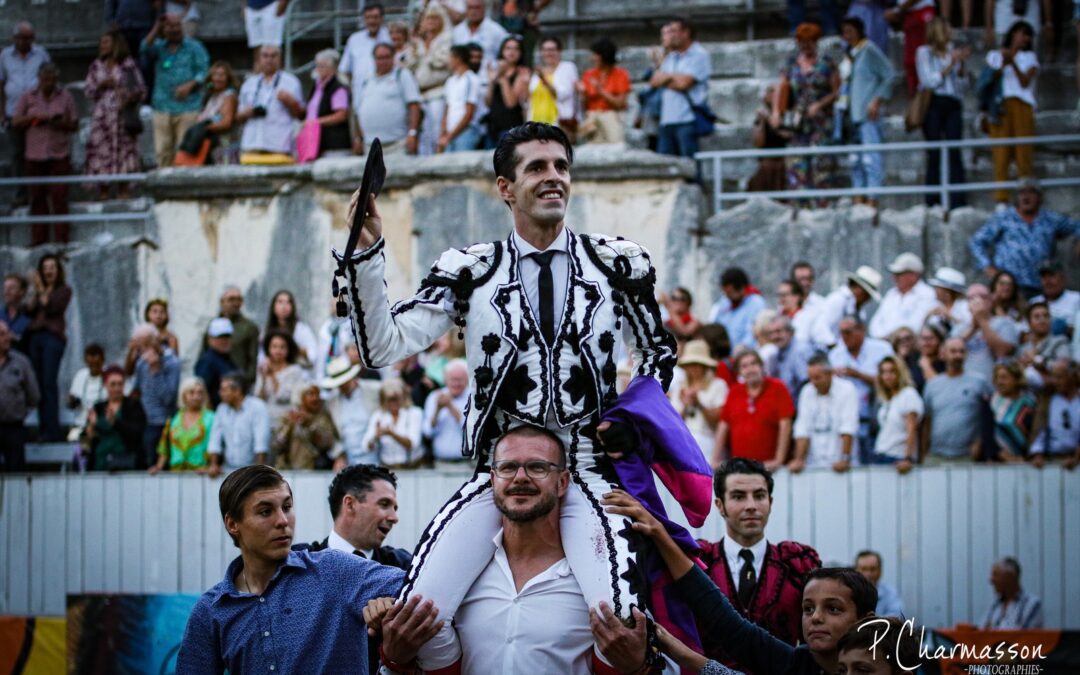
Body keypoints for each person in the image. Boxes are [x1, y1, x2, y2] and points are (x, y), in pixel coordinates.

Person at [335, 121, 690, 669]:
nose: (554, 178)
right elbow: (382, 346)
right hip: (499, 475)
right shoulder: (470, 270)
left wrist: (632, 419)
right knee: (417, 621)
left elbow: (659, 352)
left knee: (621, 629)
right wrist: (367, 255)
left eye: (562, 167)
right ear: (505, 187)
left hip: (588, 472)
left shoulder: (619, 264)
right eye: (537, 168)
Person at [370, 425, 649, 674]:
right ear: (492, 480)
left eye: (538, 467)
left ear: (563, 482)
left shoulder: (598, 580)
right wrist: (395, 661)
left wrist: (637, 668)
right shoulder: (457, 573)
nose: (520, 478)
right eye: (507, 467)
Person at [603, 489, 879, 675]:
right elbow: (728, 626)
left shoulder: (889, 660)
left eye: (833, 609)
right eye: (807, 609)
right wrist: (661, 535)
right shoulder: (801, 662)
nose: (815, 619)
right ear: (719, 506)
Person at [175, 465, 405, 673]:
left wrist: (390, 606)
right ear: (233, 524)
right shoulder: (211, 611)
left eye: (287, 507)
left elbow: (420, 588)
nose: (283, 520)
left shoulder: (334, 569)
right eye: (266, 511)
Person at [696, 459, 821, 668]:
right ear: (720, 505)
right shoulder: (700, 560)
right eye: (738, 496)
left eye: (759, 495)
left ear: (770, 502)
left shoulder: (799, 562)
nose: (751, 506)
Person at [969, 180, 1080, 298]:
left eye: (1031, 192)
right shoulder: (1004, 217)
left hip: (1039, 285)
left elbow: (1077, 226)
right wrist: (987, 266)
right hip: (1010, 286)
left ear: (1039, 197)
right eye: (1021, 193)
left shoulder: (1050, 219)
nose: (1026, 196)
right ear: (1016, 197)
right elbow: (977, 241)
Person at [12, 62, 78, 245]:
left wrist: (56, 122)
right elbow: (16, 122)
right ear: (39, 79)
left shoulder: (66, 97)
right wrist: (34, 118)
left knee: (60, 199)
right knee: (37, 199)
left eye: (52, 79)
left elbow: (74, 124)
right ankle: (38, 241)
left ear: (57, 79)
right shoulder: (27, 96)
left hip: (59, 153)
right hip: (34, 155)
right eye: (45, 79)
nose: (49, 83)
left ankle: (62, 241)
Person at [772, 23, 840, 199]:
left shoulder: (827, 62)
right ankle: (799, 204)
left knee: (821, 164)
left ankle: (822, 203)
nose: (805, 46)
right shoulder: (791, 63)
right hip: (798, 121)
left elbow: (837, 91)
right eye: (802, 42)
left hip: (821, 121)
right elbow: (781, 86)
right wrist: (776, 112)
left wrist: (820, 104)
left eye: (809, 42)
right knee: (796, 163)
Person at [838, 16, 895, 208]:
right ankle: (858, 196)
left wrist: (876, 100)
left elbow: (889, 74)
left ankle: (873, 198)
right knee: (855, 159)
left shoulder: (869, 49)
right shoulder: (849, 54)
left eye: (850, 31)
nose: (847, 35)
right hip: (850, 114)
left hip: (866, 113)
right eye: (844, 32)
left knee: (871, 157)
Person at [142, 13, 210, 168]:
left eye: (177, 25)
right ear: (164, 28)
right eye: (170, 26)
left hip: (188, 106)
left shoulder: (195, 47)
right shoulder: (158, 47)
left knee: (184, 150)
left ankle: (184, 188)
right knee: (162, 150)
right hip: (162, 106)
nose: (174, 29)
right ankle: (164, 188)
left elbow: (204, 71)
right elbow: (144, 49)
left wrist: (190, 85)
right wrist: (156, 27)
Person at [84, 30, 145, 200]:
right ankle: (103, 190)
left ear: (115, 44)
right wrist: (101, 84)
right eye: (101, 43)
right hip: (102, 116)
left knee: (124, 149)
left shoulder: (128, 65)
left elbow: (140, 88)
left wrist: (127, 97)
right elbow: (88, 90)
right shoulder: (96, 65)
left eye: (106, 42)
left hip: (122, 115)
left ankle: (123, 190)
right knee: (101, 150)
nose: (102, 46)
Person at [916, 17, 970, 208]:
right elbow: (929, 81)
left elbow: (963, 85)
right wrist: (950, 65)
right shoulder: (924, 52)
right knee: (934, 152)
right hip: (934, 104)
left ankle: (958, 200)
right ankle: (933, 200)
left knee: (954, 150)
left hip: (953, 103)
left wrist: (961, 65)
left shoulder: (952, 52)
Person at [986, 21, 1039, 207]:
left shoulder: (1030, 57)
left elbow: (1025, 81)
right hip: (1000, 106)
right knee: (1001, 153)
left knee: (1023, 153)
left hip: (1023, 107)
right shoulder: (994, 55)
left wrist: (1013, 63)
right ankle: (1001, 200)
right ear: (1013, 34)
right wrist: (1003, 62)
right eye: (1022, 33)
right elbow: (988, 79)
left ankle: (1027, 199)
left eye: (1028, 35)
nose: (1025, 38)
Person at [715, 350, 796, 470]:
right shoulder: (734, 392)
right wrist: (715, 459)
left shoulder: (778, 388)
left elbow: (786, 425)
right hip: (740, 467)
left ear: (762, 366)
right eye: (744, 366)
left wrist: (779, 459)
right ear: (739, 372)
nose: (750, 369)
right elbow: (723, 425)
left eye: (754, 364)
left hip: (770, 468)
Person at [830, 315, 894, 461]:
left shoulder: (882, 349)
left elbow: (894, 381)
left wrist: (859, 375)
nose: (844, 337)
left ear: (862, 330)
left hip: (878, 417)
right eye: (841, 332)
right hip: (847, 421)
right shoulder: (835, 354)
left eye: (848, 332)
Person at [0, 22, 51, 205]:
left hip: (37, 112)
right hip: (14, 113)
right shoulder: (5, 56)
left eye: (28, 38)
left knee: (39, 153)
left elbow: (50, 79)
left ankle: (40, 193)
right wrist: (2, 113)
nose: (24, 41)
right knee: (16, 153)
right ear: (15, 39)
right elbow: (1, 84)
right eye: (21, 38)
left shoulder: (41, 54)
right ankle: (21, 193)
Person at [921, 337, 993, 464]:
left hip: (967, 456)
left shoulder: (979, 382)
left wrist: (979, 443)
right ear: (943, 354)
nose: (958, 355)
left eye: (961, 351)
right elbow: (927, 421)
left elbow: (988, 417)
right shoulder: (932, 385)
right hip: (936, 455)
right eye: (953, 351)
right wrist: (923, 453)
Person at [24, 254, 71, 441]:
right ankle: (44, 428)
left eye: (52, 267)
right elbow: (28, 309)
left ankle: (52, 429)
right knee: (38, 385)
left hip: (52, 337)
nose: (49, 271)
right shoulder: (38, 290)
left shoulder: (63, 290)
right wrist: (34, 290)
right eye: (45, 267)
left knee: (49, 383)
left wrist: (41, 288)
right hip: (36, 337)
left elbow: (50, 307)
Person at [651, 17, 711, 160]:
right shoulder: (671, 56)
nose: (670, 35)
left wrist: (666, 79)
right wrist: (673, 78)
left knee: (690, 165)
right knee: (665, 167)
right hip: (666, 120)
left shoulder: (699, 54)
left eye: (674, 31)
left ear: (686, 33)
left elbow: (685, 83)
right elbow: (654, 81)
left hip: (687, 119)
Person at [792, 354, 860, 472]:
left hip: (841, 462)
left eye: (817, 378)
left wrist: (844, 458)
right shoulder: (807, 391)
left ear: (830, 374)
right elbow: (802, 428)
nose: (813, 382)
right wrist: (799, 459)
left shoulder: (847, 389)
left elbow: (848, 427)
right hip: (813, 462)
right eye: (810, 378)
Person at [237, 45, 304, 163]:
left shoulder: (291, 82)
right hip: (252, 144)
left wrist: (291, 102)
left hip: (279, 145)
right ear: (258, 59)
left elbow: (300, 116)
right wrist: (246, 113)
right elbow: (238, 117)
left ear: (280, 59)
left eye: (274, 56)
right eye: (265, 56)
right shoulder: (249, 83)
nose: (269, 59)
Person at [355, 43, 422, 156]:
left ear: (393, 57)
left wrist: (413, 133)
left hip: (398, 144)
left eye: (387, 57)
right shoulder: (367, 80)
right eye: (379, 58)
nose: (383, 61)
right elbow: (359, 110)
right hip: (370, 145)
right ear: (374, 59)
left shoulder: (402, 75)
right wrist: (358, 138)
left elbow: (414, 105)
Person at [670, 340, 729, 458]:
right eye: (690, 364)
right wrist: (686, 405)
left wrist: (698, 403)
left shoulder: (718, 385)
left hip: (708, 441)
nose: (693, 368)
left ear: (705, 365)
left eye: (697, 363)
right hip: (683, 441)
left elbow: (718, 420)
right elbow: (673, 423)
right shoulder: (680, 387)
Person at [207, 372, 271, 477]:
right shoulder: (221, 409)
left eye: (224, 390)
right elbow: (215, 439)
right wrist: (213, 464)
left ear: (237, 391)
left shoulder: (257, 407)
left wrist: (259, 471)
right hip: (228, 469)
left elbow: (261, 441)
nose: (220, 393)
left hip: (252, 469)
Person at [84, 366, 146, 471]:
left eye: (120, 384)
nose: (117, 388)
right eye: (113, 384)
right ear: (105, 385)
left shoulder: (133, 405)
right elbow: (89, 438)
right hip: (101, 461)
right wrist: (91, 429)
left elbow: (138, 432)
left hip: (126, 461)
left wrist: (115, 422)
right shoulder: (98, 407)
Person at [132, 335, 182, 469]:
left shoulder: (173, 363)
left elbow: (168, 399)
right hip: (146, 423)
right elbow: (136, 390)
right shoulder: (141, 364)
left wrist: (156, 370)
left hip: (166, 423)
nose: (144, 352)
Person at [149, 376, 215, 474]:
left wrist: (212, 466)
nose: (196, 397)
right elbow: (164, 447)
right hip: (176, 474)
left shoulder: (211, 417)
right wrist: (158, 467)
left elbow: (216, 445)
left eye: (200, 393)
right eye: (191, 393)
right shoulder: (174, 418)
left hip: (202, 474)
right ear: (183, 395)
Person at [956, 283, 1019, 382]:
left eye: (983, 297)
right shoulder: (960, 327)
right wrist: (972, 329)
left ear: (991, 301)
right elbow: (949, 353)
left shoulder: (1005, 323)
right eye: (972, 298)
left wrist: (982, 321)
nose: (978, 301)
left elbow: (1002, 353)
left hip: (994, 386)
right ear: (967, 303)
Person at [323, 356, 378, 469]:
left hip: (376, 455)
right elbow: (332, 434)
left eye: (344, 381)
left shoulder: (374, 390)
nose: (342, 385)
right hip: (349, 460)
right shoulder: (332, 402)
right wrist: (339, 454)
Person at [868, 253, 938, 340]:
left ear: (913, 275)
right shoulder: (891, 294)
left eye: (899, 274)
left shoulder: (927, 294)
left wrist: (894, 337)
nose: (895, 278)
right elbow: (876, 322)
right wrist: (881, 336)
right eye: (895, 274)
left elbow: (917, 323)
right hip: (884, 343)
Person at [413, 4, 453, 156]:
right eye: (428, 18)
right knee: (424, 132)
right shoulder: (420, 41)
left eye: (435, 18)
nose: (431, 22)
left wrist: (427, 52)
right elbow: (411, 61)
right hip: (420, 92)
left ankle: (439, 157)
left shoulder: (447, 38)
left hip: (438, 90)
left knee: (437, 128)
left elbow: (442, 61)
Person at [0, 319, 39, 472]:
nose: (7, 337)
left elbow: (34, 395)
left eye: (7, 333)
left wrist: (20, 412)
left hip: (14, 427)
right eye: (2, 334)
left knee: (15, 472)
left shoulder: (21, 362)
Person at [203, 285, 260, 389]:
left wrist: (245, 383)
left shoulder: (249, 327)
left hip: (238, 385)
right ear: (222, 302)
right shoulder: (213, 324)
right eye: (231, 299)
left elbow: (253, 359)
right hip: (213, 383)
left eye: (239, 299)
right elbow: (203, 352)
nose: (235, 303)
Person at [872, 355, 922, 472]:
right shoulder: (887, 399)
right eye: (883, 372)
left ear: (900, 373)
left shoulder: (908, 394)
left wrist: (908, 458)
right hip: (882, 453)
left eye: (892, 371)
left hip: (898, 457)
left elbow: (911, 428)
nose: (887, 376)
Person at [576, 38, 631, 145]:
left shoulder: (621, 75)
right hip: (592, 118)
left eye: (595, 55)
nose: (593, 58)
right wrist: (582, 93)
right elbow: (585, 105)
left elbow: (619, 104)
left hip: (613, 115)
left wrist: (600, 90)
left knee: (616, 142)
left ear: (604, 56)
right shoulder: (588, 74)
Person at [254, 329, 309, 433]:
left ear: (288, 349)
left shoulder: (295, 371)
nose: (278, 351)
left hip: (286, 424)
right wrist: (264, 378)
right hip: (266, 423)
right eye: (274, 346)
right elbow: (259, 398)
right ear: (268, 348)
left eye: (282, 347)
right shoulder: (264, 368)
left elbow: (284, 396)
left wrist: (272, 376)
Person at [273, 383, 338, 469]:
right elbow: (277, 446)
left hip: (313, 471)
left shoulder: (323, 417)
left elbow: (326, 444)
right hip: (288, 470)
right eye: (311, 394)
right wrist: (289, 427)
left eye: (317, 394)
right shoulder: (288, 417)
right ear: (300, 397)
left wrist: (310, 425)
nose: (316, 398)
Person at [813, 265, 881, 347]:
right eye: (867, 295)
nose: (868, 300)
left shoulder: (859, 309)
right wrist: (834, 346)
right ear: (859, 289)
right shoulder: (838, 300)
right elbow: (819, 328)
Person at [1029, 359, 1080, 468]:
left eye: (1060, 377)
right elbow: (1041, 431)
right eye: (1053, 377)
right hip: (1054, 459)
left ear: (1072, 377)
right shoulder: (1048, 400)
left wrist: (1077, 457)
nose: (1055, 381)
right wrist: (1038, 454)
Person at [361, 379, 422, 468]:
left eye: (396, 399)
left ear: (403, 397)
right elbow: (366, 446)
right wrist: (375, 437)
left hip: (413, 467)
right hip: (388, 468)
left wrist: (391, 434)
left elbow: (412, 444)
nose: (393, 403)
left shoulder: (414, 413)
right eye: (389, 400)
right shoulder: (378, 415)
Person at [301, 49, 350, 160]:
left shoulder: (337, 87)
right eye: (318, 65)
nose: (318, 69)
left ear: (332, 68)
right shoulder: (317, 86)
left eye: (322, 66)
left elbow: (341, 115)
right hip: (316, 143)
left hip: (334, 145)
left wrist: (315, 122)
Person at [421, 358, 470, 469]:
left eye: (459, 380)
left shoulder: (473, 397)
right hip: (440, 463)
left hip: (466, 464)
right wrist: (438, 410)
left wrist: (450, 406)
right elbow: (428, 432)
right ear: (445, 379)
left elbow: (471, 431)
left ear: (467, 379)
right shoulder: (434, 397)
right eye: (453, 379)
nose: (456, 383)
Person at [528, 36, 578, 141]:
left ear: (559, 51)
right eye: (545, 50)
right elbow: (529, 99)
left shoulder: (568, 67)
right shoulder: (537, 73)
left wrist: (544, 80)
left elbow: (562, 95)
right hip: (537, 124)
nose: (548, 53)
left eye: (552, 49)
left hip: (560, 124)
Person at [483, 35, 529, 148]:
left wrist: (503, 78)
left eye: (516, 48)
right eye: (508, 48)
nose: (511, 52)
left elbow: (511, 103)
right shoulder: (495, 70)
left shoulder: (522, 72)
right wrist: (491, 82)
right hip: (492, 126)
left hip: (511, 127)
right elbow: (488, 102)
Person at [884, 0, 937, 96]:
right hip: (909, 14)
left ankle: (925, 101)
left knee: (922, 60)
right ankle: (915, 99)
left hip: (921, 13)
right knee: (910, 63)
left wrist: (897, 10)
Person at [708, 267, 768, 351]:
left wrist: (742, 348)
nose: (727, 296)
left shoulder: (756, 303)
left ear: (742, 289)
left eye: (730, 292)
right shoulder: (725, 301)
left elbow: (752, 334)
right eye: (725, 292)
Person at [193, 60, 240, 165]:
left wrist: (203, 128)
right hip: (210, 144)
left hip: (224, 144)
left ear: (227, 78)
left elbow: (226, 122)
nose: (218, 78)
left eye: (222, 75)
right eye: (215, 75)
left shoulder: (228, 96)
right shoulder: (212, 96)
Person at [341, 2, 391, 95]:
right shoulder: (354, 39)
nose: (372, 21)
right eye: (368, 17)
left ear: (382, 18)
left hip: (387, 93)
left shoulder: (390, 37)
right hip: (360, 95)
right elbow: (345, 70)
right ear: (364, 19)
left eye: (375, 17)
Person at [439, 45, 482, 152]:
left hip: (466, 132)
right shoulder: (450, 81)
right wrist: (444, 133)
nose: (447, 61)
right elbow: (447, 109)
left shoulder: (471, 79)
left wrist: (450, 135)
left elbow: (469, 113)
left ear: (457, 59)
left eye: (449, 57)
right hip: (449, 133)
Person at [990, 361, 1036, 461]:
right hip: (998, 460)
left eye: (1004, 377)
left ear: (1016, 379)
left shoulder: (1029, 402)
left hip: (1026, 460)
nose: (999, 382)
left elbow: (1035, 432)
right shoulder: (991, 402)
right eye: (997, 377)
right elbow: (987, 434)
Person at [979, 557, 1043, 629]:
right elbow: (981, 633)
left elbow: (1025, 637)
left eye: (996, 575)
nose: (991, 580)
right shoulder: (994, 606)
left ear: (1011, 577)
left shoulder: (1032, 604)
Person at [1017, 302, 1070, 386]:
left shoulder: (1060, 341)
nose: (1042, 320)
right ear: (1029, 322)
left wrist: (1037, 360)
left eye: (1046, 316)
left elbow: (1064, 367)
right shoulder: (1023, 348)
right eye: (1037, 317)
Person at [262, 289, 318, 369]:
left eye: (288, 302)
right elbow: (262, 358)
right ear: (273, 306)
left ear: (292, 306)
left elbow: (312, 355)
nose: (284, 306)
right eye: (280, 302)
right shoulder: (266, 331)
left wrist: (304, 354)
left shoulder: (301, 329)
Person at [765, 315, 815, 400]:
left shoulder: (800, 350)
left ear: (790, 332)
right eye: (771, 333)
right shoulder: (777, 353)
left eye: (778, 331)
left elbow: (807, 384)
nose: (775, 336)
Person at [451, 0, 509, 69]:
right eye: (470, 8)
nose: (474, 11)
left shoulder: (496, 31)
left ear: (484, 9)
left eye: (477, 7)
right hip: (462, 76)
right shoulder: (457, 31)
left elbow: (509, 52)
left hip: (488, 76)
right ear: (466, 9)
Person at [196, 317, 238, 409]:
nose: (224, 341)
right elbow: (202, 391)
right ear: (210, 339)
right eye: (220, 337)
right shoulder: (207, 361)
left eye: (227, 336)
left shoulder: (227, 358)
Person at [67, 343, 107, 436]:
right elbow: (72, 400)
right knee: (73, 439)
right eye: (91, 364)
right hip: (81, 424)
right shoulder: (80, 375)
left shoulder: (109, 376)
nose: (94, 367)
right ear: (86, 362)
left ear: (103, 361)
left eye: (97, 364)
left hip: (102, 426)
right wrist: (71, 401)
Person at [1031, 261, 1080, 336]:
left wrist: (1065, 329)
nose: (1048, 281)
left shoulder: (1076, 299)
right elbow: (1024, 332)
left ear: (1062, 278)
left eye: (1051, 275)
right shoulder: (1034, 302)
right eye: (1044, 277)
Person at [854, 550, 904, 617]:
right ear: (855, 570)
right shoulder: (848, 591)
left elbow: (897, 617)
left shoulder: (890, 593)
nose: (868, 574)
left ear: (880, 571)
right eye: (864, 569)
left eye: (872, 569)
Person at [925, 266, 970, 334]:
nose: (935, 290)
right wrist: (927, 316)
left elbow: (967, 327)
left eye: (938, 288)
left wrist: (950, 317)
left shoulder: (965, 306)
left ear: (948, 292)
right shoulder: (934, 305)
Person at [2, 275, 30, 349]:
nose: (7, 291)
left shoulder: (29, 318)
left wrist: (12, 336)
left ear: (21, 292)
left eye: (11, 288)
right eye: (5, 287)